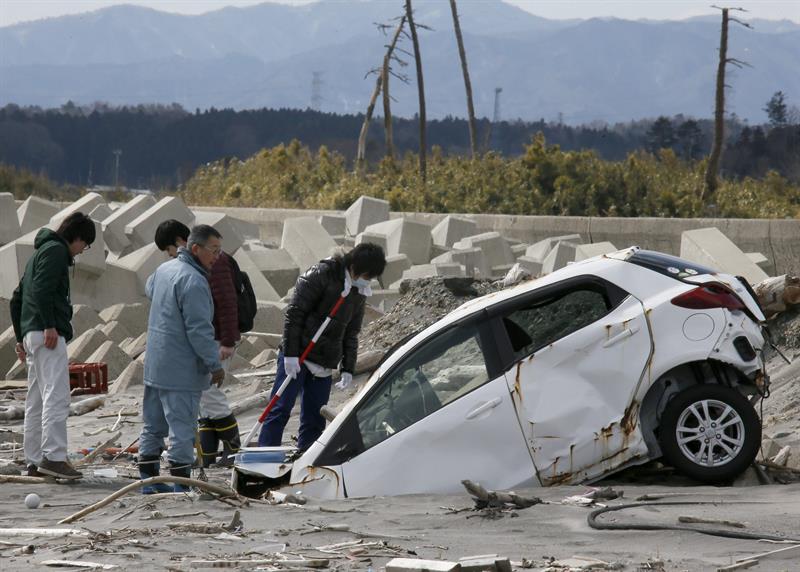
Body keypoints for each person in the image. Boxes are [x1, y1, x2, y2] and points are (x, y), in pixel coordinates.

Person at [258, 243, 386, 451]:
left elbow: (351, 332)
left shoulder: (358, 291)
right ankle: (264, 456)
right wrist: (290, 354)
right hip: (298, 355)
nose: (368, 280)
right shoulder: (321, 274)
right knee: (280, 409)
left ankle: (305, 462)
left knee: (315, 417)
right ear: (356, 266)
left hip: (325, 361)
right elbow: (295, 314)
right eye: (367, 275)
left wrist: (347, 367)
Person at [139, 224, 225, 493]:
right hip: (181, 370)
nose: (216, 257)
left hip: (156, 363)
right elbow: (199, 330)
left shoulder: (165, 269)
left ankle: (148, 481)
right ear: (195, 248)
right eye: (213, 250)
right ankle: (180, 485)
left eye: (220, 251)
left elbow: (150, 289)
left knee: (153, 426)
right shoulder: (194, 281)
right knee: (182, 428)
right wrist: (215, 364)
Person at [10, 212, 96, 480]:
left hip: (31, 334)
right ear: (78, 237)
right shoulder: (57, 251)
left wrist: (20, 336)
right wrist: (48, 324)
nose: (82, 250)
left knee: (36, 399)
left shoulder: (39, 253)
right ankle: (55, 457)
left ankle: (34, 460)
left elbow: (17, 298)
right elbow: (43, 290)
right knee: (57, 395)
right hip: (47, 333)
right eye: (86, 244)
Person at [154, 220, 241, 467]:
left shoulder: (216, 262)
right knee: (203, 400)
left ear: (182, 244)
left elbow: (227, 302)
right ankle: (208, 456)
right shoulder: (190, 267)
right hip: (205, 338)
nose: (170, 256)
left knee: (211, 395)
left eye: (169, 250)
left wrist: (226, 341)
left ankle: (234, 448)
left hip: (216, 338)